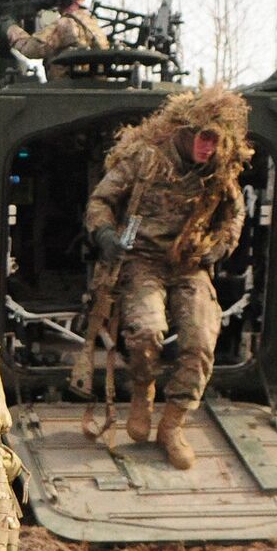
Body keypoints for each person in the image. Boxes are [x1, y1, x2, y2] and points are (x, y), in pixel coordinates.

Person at [84, 86, 252, 469]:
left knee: (200, 342)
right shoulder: (147, 159)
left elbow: (234, 215)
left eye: (216, 140)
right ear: (186, 131)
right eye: (204, 138)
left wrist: (222, 246)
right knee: (146, 331)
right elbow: (101, 200)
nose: (208, 147)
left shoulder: (219, 169)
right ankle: (143, 390)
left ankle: (173, 424)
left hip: (189, 264)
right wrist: (105, 234)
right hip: (141, 260)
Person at [6, 0, 111, 79]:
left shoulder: (65, 24)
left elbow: (32, 49)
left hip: (68, 88)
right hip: (89, 86)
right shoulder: (93, 24)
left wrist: (10, 29)